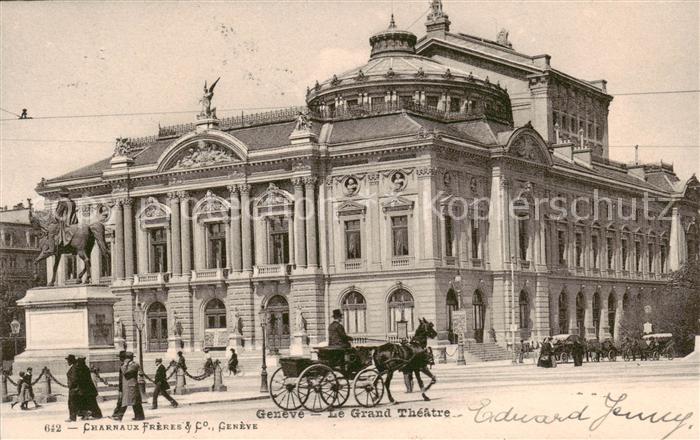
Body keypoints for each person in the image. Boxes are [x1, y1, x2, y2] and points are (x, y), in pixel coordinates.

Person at [119, 352, 145, 421]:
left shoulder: (133, 365)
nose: (124, 360)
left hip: (131, 386)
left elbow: (125, 372)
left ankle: (119, 416)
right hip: (129, 386)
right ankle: (139, 416)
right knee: (135, 402)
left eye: (125, 358)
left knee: (127, 402)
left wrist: (124, 364)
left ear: (128, 359)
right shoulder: (130, 365)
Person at [111, 351, 127, 420]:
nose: (119, 358)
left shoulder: (124, 366)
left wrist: (120, 389)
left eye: (120, 357)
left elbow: (122, 379)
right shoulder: (123, 365)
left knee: (121, 401)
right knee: (122, 401)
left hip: (124, 387)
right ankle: (116, 414)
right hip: (123, 386)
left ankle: (117, 415)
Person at [65, 355, 80, 422]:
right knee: (72, 403)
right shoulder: (74, 367)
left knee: (72, 403)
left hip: (74, 389)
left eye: (68, 360)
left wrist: (70, 385)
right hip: (74, 388)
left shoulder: (74, 368)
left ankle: (72, 418)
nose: (67, 362)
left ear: (71, 360)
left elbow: (74, 379)